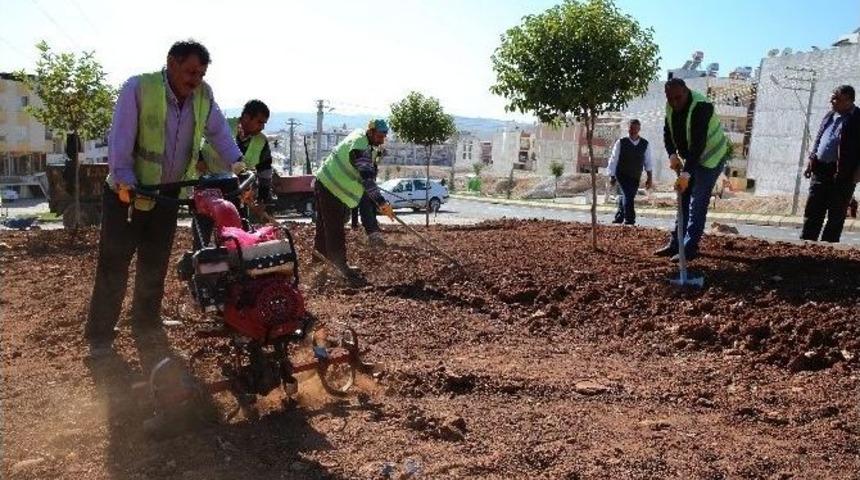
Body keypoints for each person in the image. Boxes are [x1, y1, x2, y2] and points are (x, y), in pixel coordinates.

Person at [85, 40, 245, 358]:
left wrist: (237, 162)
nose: (194, 79)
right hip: (128, 192)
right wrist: (124, 181)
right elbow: (120, 139)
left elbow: (217, 132)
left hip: (168, 194)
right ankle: (100, 336)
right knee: (114, 264)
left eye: (200, 73)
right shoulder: (138, 89)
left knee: (154, 264)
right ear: (171, 63)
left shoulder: (203, 95)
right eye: (189, 71)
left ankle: (146, 324)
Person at [654, 78, 730, 262]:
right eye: (670, 99)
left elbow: (698, 145)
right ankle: (676, 243)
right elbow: (668, 132)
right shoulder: (670, 106)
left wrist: (687, 174)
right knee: (683, 199)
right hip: (692, 158)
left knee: (698, 202)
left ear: (686, 92)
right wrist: (672, 154)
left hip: (712, 157)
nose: (674, 102)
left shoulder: (701, 107)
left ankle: (689, 248)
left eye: (678, 98)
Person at [314, 119, 394, 278]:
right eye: (379, 136)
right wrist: (382, 204)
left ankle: (318, 264)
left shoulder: (360, 138)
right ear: (370, 132)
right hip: (331, 187)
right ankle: (341, 268)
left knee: (324, 227)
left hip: (324, 182)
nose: (382, 140)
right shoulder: (361, 147)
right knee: (334, 228)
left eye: (384, 136)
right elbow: (367, 180)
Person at [800, 85, 860, 243]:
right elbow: (819, 139)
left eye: (836, 98)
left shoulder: (858, 118)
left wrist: (858, 172)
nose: (831, 101)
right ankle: (805, 246)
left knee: (835, 216)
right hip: (820, 170)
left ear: (848, 101)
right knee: (813, 211)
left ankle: (827, 251)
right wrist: (811, 161)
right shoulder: (829, 115)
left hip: (843, 174)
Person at [202, 99, 275, 204]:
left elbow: (265, 171)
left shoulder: (261, 141)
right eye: (259, 122)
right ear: (246, 117)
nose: (262, 127)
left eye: (264, 123)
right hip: (208, 189)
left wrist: (263, 198)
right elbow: (197, 142)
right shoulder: (221, 127)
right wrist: (199, 158)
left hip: (238, 193)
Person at [607, 118, 653, 225]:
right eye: (631, 128)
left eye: (635, 128)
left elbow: (648, 162)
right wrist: (612, 175)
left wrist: (649, 178)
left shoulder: (645, 144)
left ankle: (619, 217)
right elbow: (614, 159)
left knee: (627, 196)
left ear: (639, 129)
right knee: (628, 195)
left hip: (635, 175)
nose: (633, 130)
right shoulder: (621, 142)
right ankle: (630, 219)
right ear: (628, 129)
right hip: (621, 174)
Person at [350, 147, 384, 246]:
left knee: (371, 207)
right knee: (364, 208)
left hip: (366, 184)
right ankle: (372, 234)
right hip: (361, 185)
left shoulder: (373, 157)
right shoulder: (364, 152)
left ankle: (374, 230)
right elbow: (365, 175)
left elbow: (372, 173)